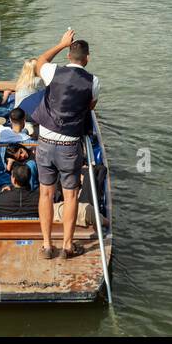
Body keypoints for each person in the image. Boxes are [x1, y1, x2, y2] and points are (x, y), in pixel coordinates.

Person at [30, 29, 100, 260]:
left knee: (46, 194)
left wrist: (60, 44)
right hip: (70, 145)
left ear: (69, 56)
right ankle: (67, 246)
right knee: (71, 197)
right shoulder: (93, 81)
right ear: (87, 59)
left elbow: (39, 62)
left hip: (46, 143)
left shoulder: (52, 71)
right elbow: (90, 106)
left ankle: (48, 245)